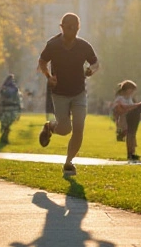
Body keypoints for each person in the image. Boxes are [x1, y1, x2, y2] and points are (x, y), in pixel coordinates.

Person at [37, 13, 101, 177]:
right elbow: (42, 62)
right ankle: (50, 126)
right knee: (65, 129)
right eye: (68, 27)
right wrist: (48, 77)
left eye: (74, 27)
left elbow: (95, 63)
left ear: (78, 28)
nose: (71, 30)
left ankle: (69, 162)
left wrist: (91, 70)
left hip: (79, 92)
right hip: (59, 93)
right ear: (62, 27)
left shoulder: (84, 46)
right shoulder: (53, 45)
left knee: (79, 127)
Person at [0, 75, 22, 143]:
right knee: (7, 124)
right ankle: (4, 137)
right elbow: (18, 100)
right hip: (11, 109)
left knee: (6, 124)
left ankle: (4, 137)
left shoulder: (4, 88)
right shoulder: (14, 89)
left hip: (7, 108)